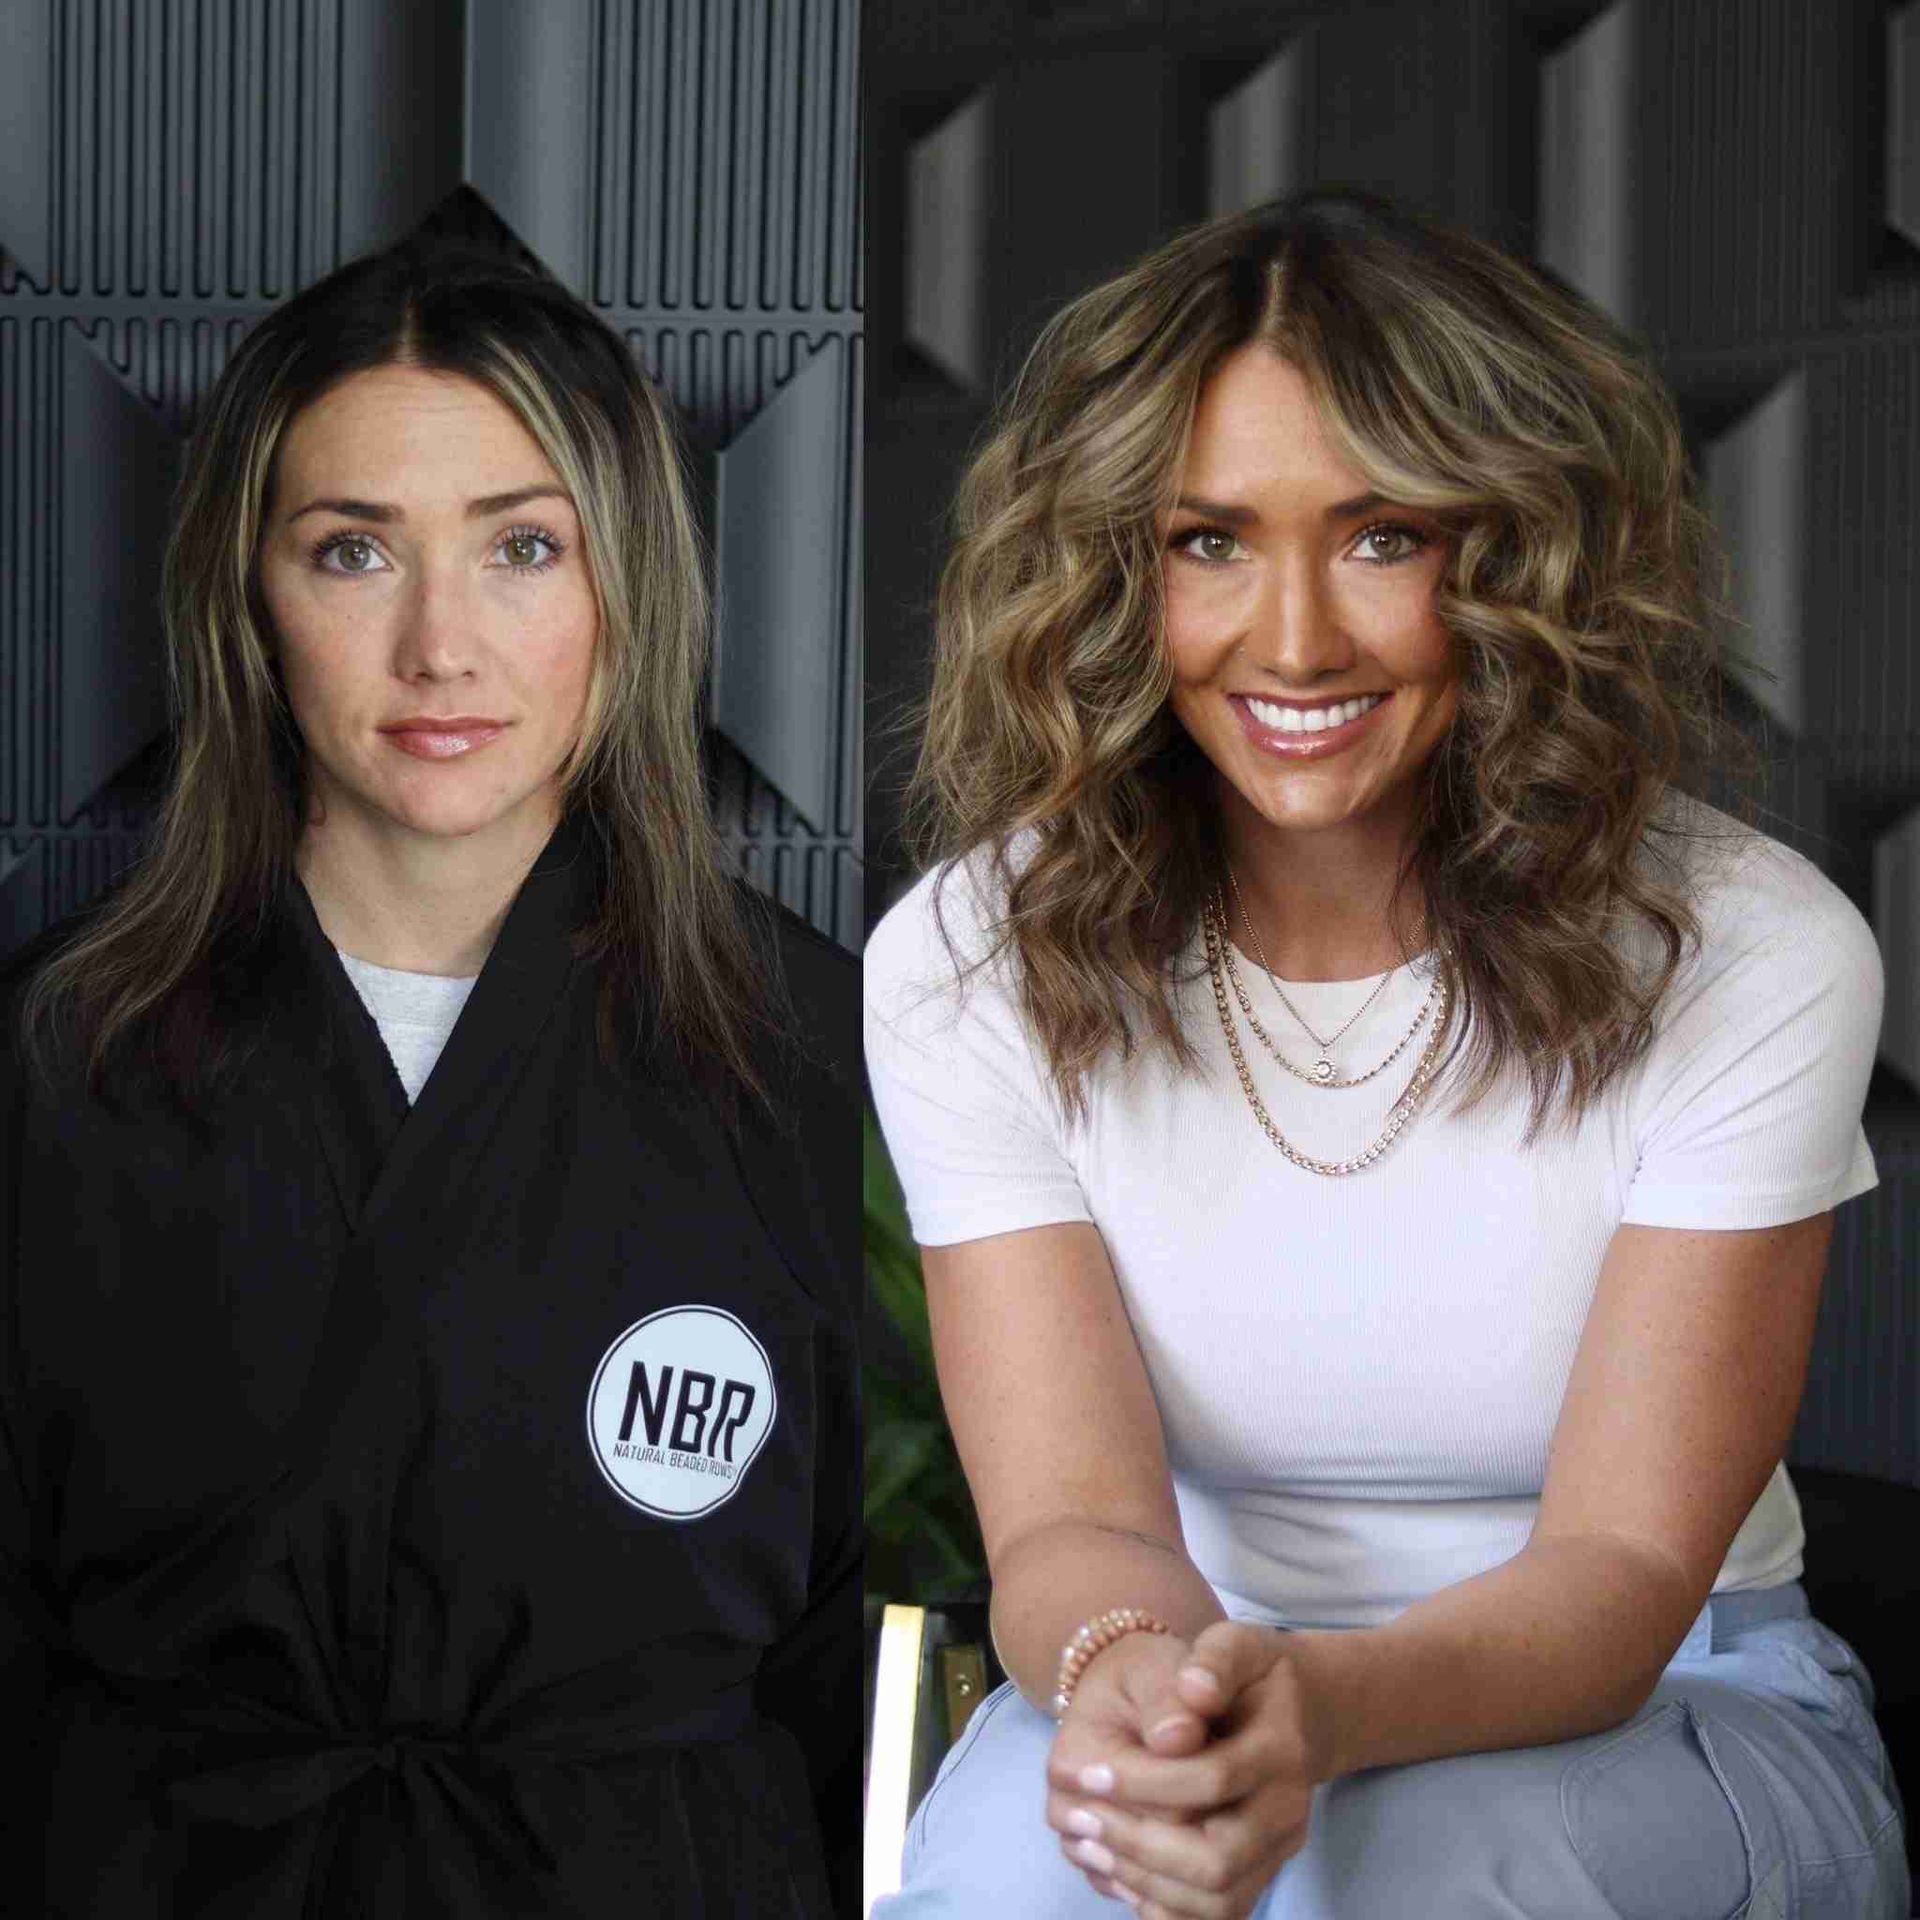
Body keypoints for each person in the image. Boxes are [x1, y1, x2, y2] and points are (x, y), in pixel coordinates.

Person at [864, 192, 1910, 1918]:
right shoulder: (971, 963)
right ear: (1117, 574)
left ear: (1521, 556)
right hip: (1198, 1672)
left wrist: (1318, 1717)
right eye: (1208, 540)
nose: (1293, 641)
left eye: (1381, 537)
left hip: (1682, 1693)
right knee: (1012, 1891)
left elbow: (1629, 1569)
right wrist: (1153, 1681)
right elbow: (1072, 1529)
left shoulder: (1752, 953)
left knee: (1387, 1887)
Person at [0, 229, 860, 1917]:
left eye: (523, 548)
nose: (440, 647)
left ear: (628, 585)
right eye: (351, 553)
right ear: (248, 597)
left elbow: (878, 1666)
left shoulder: (828, 1061)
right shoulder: (54, 1063)